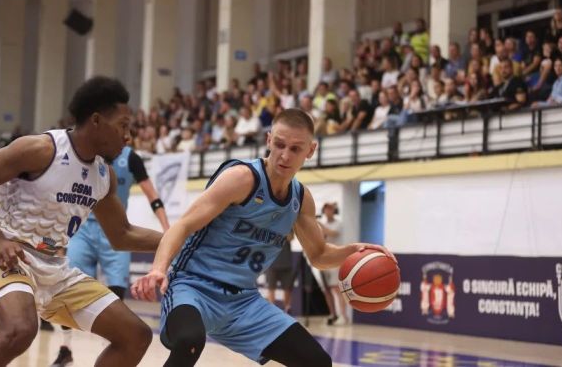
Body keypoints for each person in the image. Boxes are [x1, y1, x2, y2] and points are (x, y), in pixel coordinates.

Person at [131, 108, 395, 366]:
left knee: (318, 362)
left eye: (295, 149)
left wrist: (354, 250)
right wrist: (159, 269)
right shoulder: (241, 178)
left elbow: (319, 255)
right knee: (189, 341)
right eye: (279, 144)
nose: (285, 155)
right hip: (194, 287)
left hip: (243, 301)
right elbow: (183, 225)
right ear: (268, 140)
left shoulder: (301, 199)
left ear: (311, 151)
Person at [0, 77, 162, 367]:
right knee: (20, 330)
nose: (128, 137)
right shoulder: (41, 149)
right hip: (6, 259)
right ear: (96, 120)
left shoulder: (105, 176)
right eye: (123, 125)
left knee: (135, 335)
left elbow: (122, 234)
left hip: (55, 271)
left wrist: (183, 238)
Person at [51, 143, 171, 366]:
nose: (124, 134)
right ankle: (65, 348)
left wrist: (167, 231)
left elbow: (153, 196)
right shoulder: (86, 151)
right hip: (83, 230)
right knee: (65, 290)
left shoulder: (131, 158)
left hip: (115, 230)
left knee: (116, 293)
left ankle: (112, 349)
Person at [319, 203, 349, 326]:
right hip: (326, 260)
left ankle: (343, 316)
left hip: (337, 259)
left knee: (338, 288)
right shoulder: (322, 225)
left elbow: (332, 233)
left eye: (330, 209)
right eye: (326, 209)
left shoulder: (338, 224)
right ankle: (334, 314)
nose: (328, 211)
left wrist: (319, 225)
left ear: (334, 210)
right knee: (328, 289)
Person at [264, 233, 294, 314]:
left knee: (287, 289)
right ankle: (272, 312)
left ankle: (287, 309)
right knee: (271, 288)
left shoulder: (288, 226)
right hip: (271, 263)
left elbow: (291, 238)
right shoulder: (268, 226)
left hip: (286, 262)